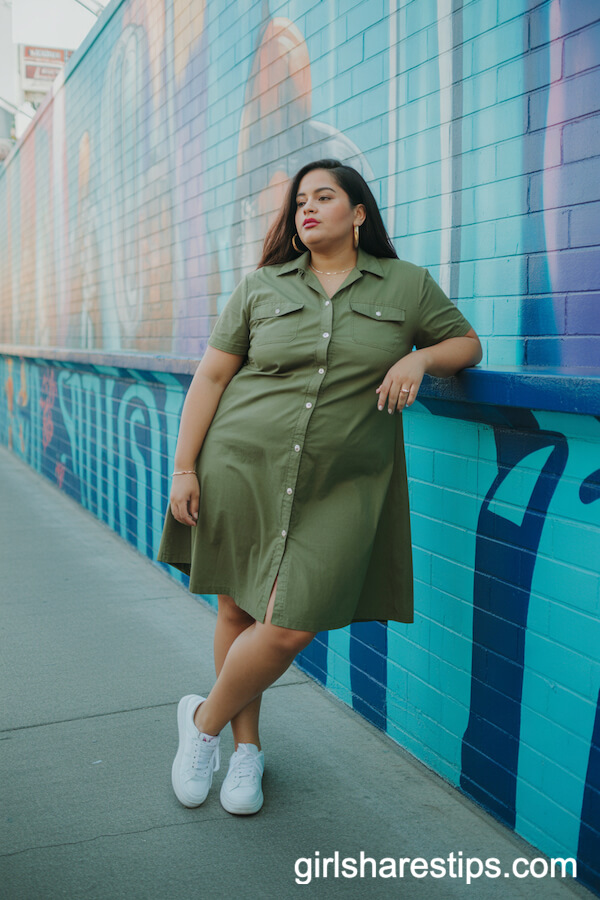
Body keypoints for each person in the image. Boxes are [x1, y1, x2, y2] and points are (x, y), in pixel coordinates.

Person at [157, 158, 482, 816]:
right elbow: (213, 378)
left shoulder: (407, 285)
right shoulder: (262, 286)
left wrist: (419, 357)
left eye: (324, 197)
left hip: (343, 484)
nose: (306, 208)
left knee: (288, 626)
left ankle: (201, 722)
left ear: (358, 214)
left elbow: (466, 345)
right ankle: (245, 750)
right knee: (237, 612)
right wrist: (185, 467)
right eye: (300, 200)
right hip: (241, 466)